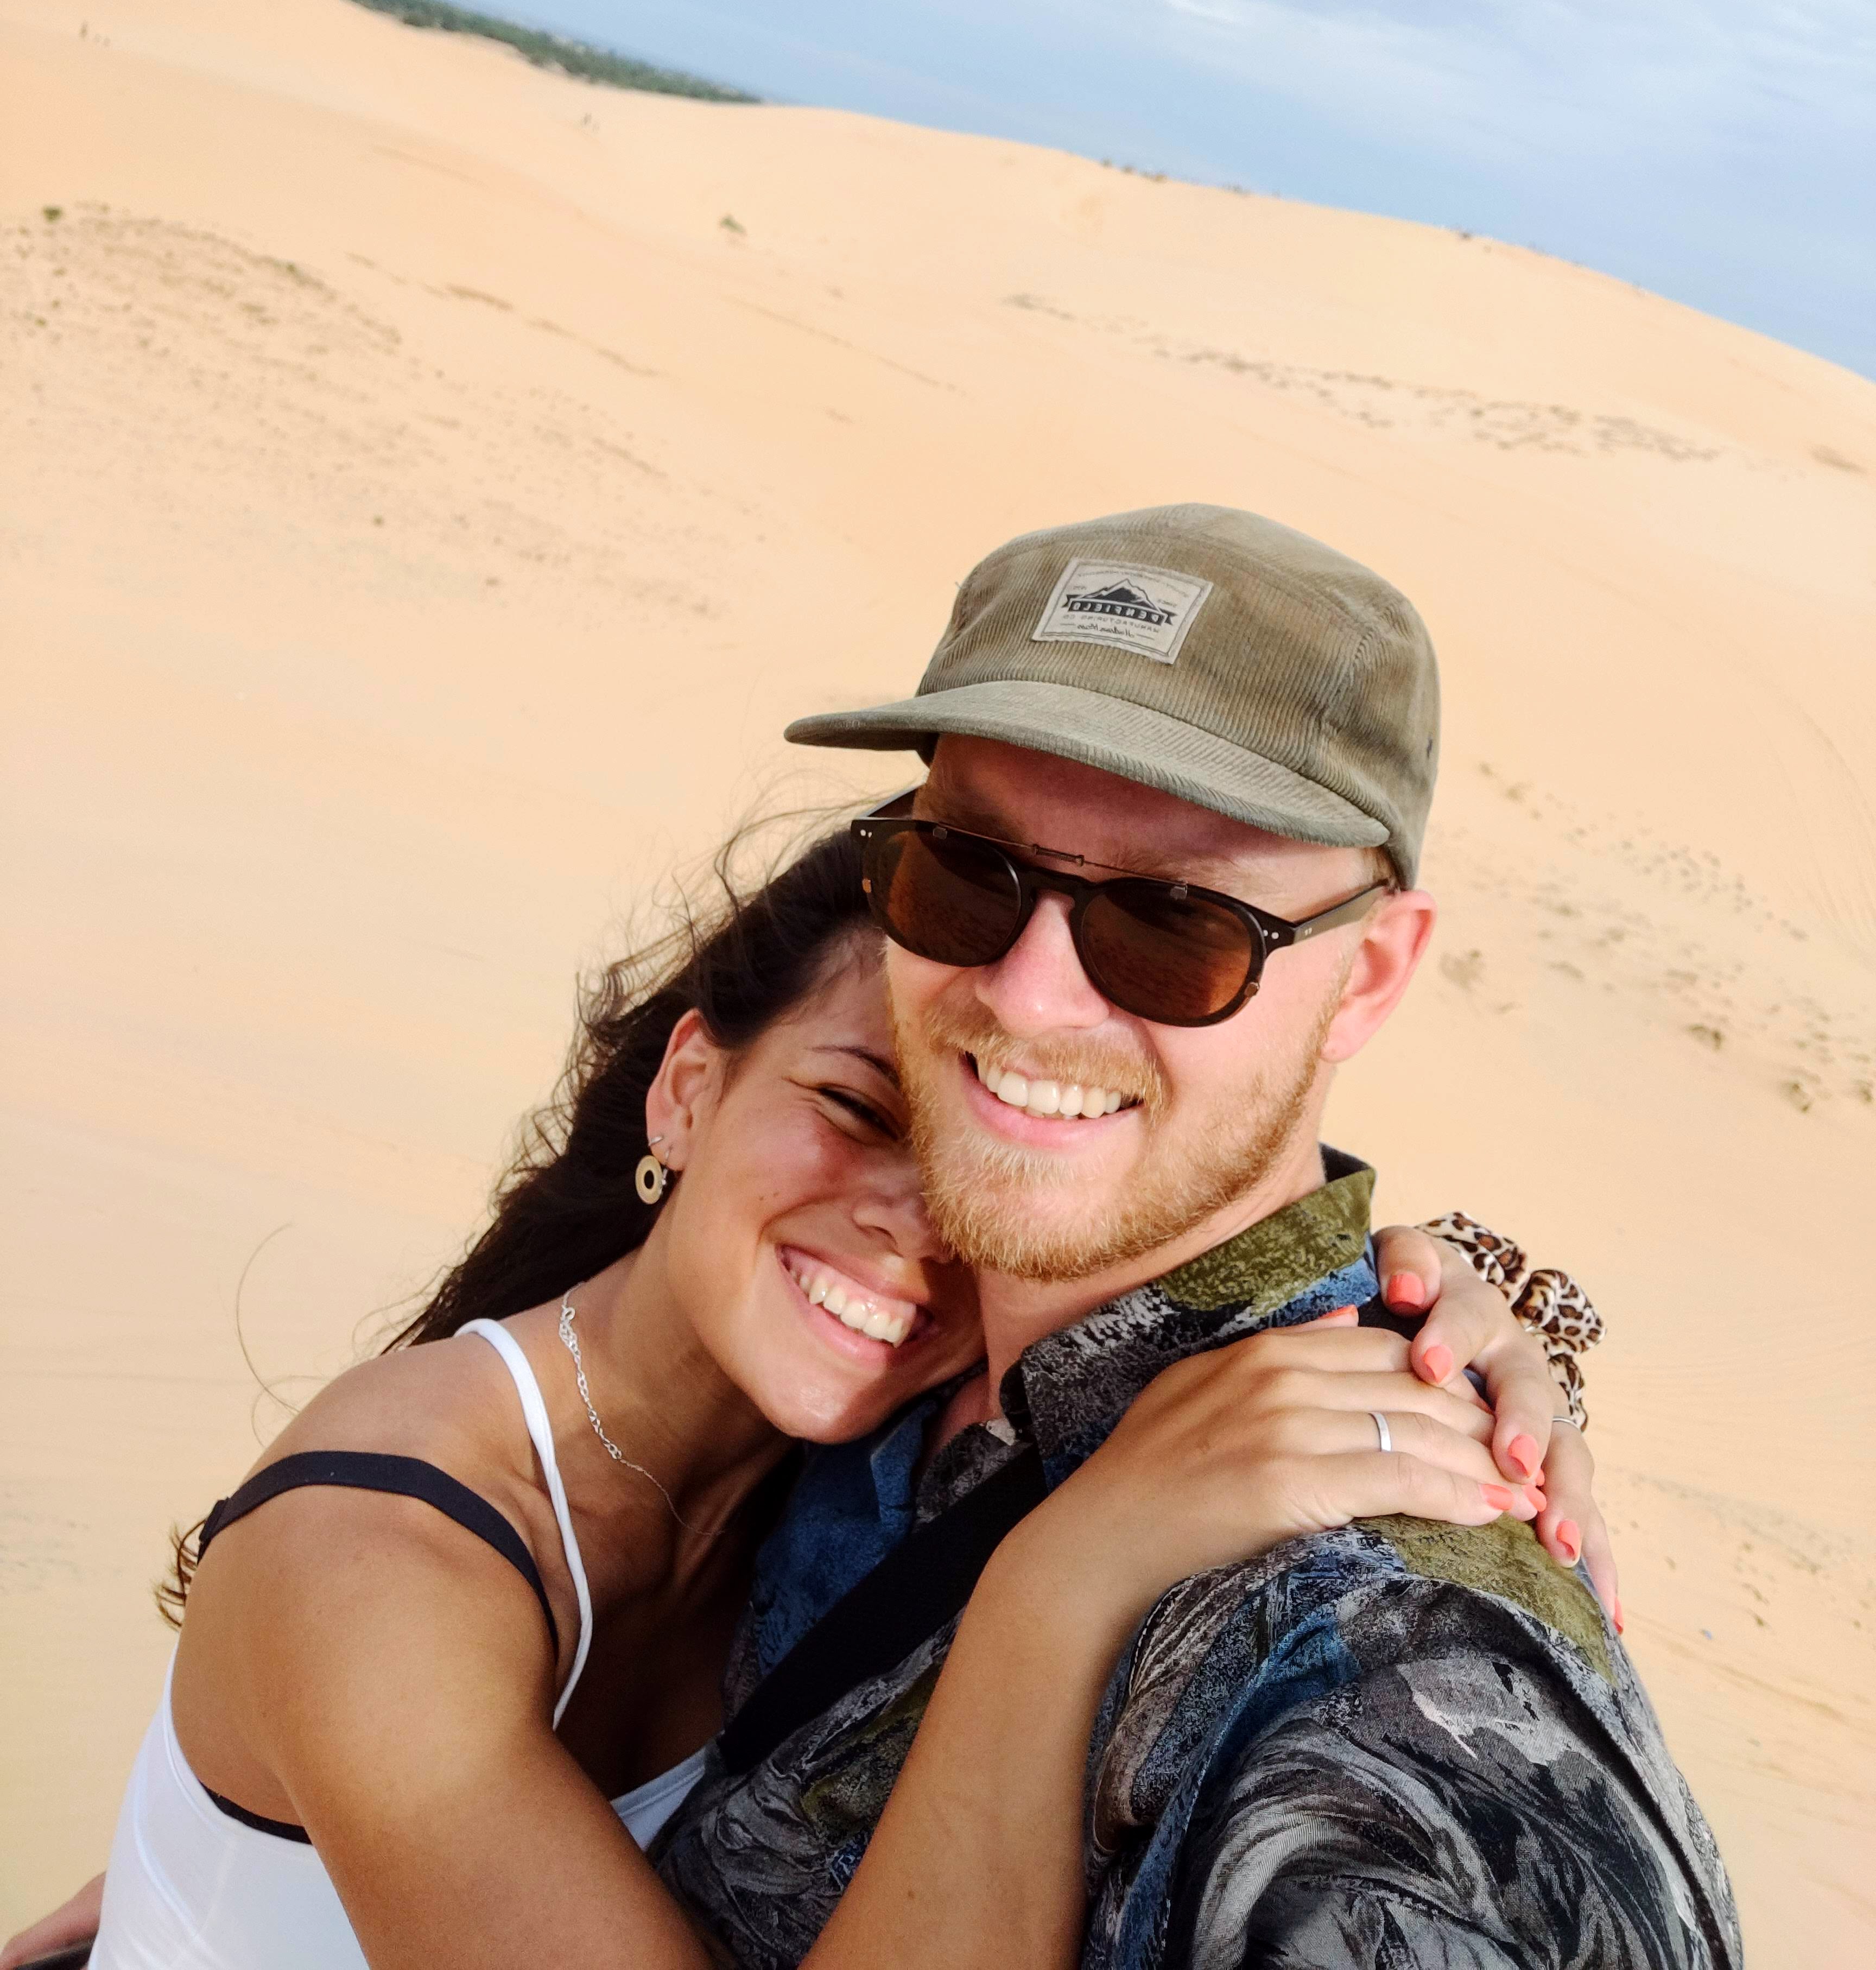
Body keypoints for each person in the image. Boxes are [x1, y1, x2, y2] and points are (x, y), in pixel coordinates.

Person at [7, 821, 1581, 1970]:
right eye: (847, 1107)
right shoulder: (371, 1564)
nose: (916, 1222)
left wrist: (1486, 1315)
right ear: (688, 1087)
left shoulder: (856, 1469)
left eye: (979, 1167)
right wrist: (1066, 1583)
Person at [654, 501, 1741, 1968]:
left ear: (1369, 979)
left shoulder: (1385, 1678)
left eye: (1175, 924)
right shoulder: (860, 1323)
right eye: (967, 871)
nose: (1030, 999)